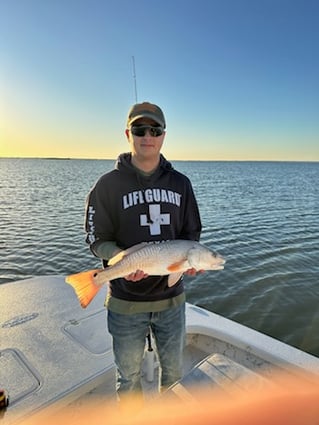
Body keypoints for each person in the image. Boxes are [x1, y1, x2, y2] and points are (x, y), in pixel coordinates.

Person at [84, 101, 202, 399]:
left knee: (174, 376)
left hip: (171, 303)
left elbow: (191, 235)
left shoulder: (181, 184)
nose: (147, 136)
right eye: (139, 129)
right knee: (128, 378)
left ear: (164, 135)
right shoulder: (107, 185)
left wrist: (190, 263)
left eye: (154, 129)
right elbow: (96, 238)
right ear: (128, 134)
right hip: (125, 303)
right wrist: (121, 259)